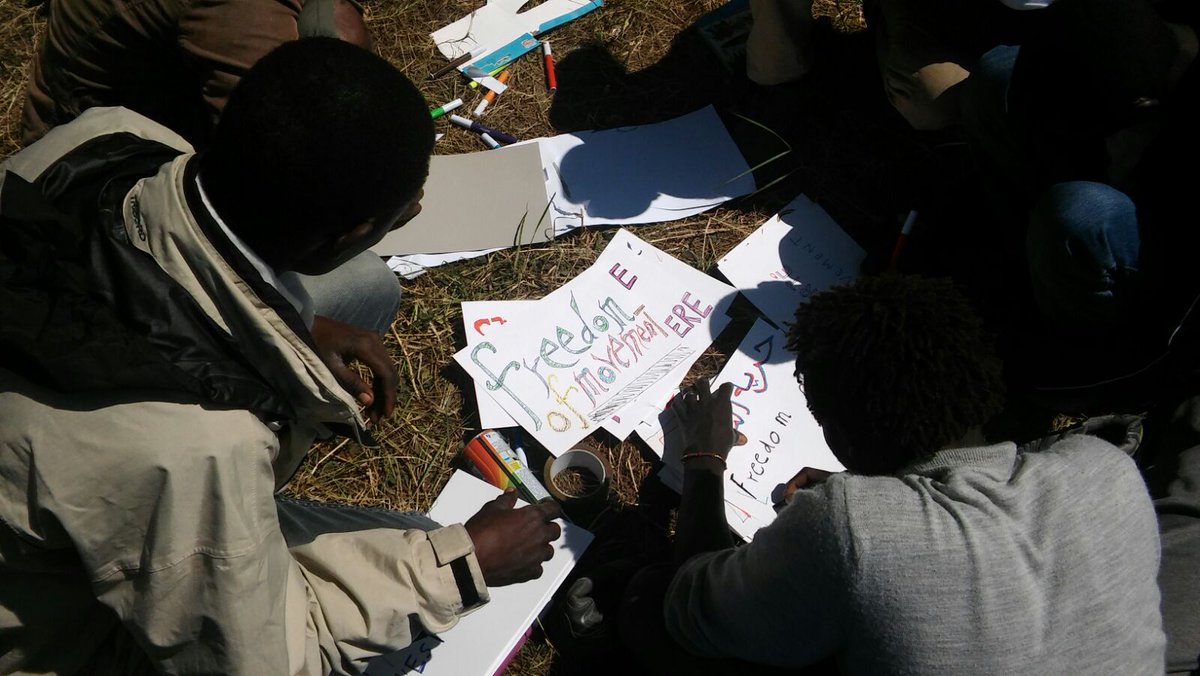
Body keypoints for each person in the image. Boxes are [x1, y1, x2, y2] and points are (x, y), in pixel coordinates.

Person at [0, 38, 562, 674]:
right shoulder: (203, 450)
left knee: (367, 289)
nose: (415, 211)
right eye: (400, 211)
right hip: (52, 631)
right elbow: (263, 663)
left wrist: (297, 325)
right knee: (427, 547)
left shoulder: (111, 137)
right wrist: (465, 568)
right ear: (346, 233)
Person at [620, 274, 1165, 673]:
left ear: (842, 435)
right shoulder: (1108, 467)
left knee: (647, 598)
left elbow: (690, 604)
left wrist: (703, 459)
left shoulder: (851, 527)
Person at [955, 0, 1200, 669]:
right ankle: (1021, 259)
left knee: (1079, 219)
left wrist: (1036, 372)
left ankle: (1066, 302)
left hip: (1169, 288)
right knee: (997, 80)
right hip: (1135, 125)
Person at [21, 0, 401, 353]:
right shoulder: (239, 11)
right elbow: (282, 195)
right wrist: (304, 321)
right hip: (97, 207)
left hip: (90, 154)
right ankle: (294, 401)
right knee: (371, 284)